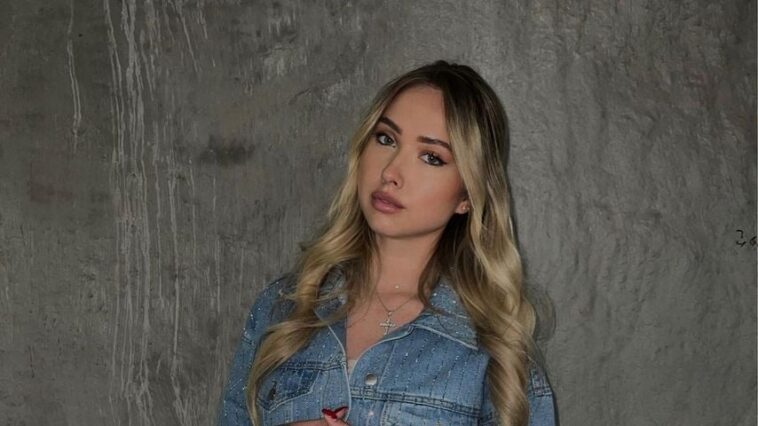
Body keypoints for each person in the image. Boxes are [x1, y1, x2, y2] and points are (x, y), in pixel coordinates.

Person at [218, 60, 556, 425]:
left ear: (467, 196)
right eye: (386, 139)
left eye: (431, 157)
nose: (391, 172)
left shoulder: (492, 344)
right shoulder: (283, 308)